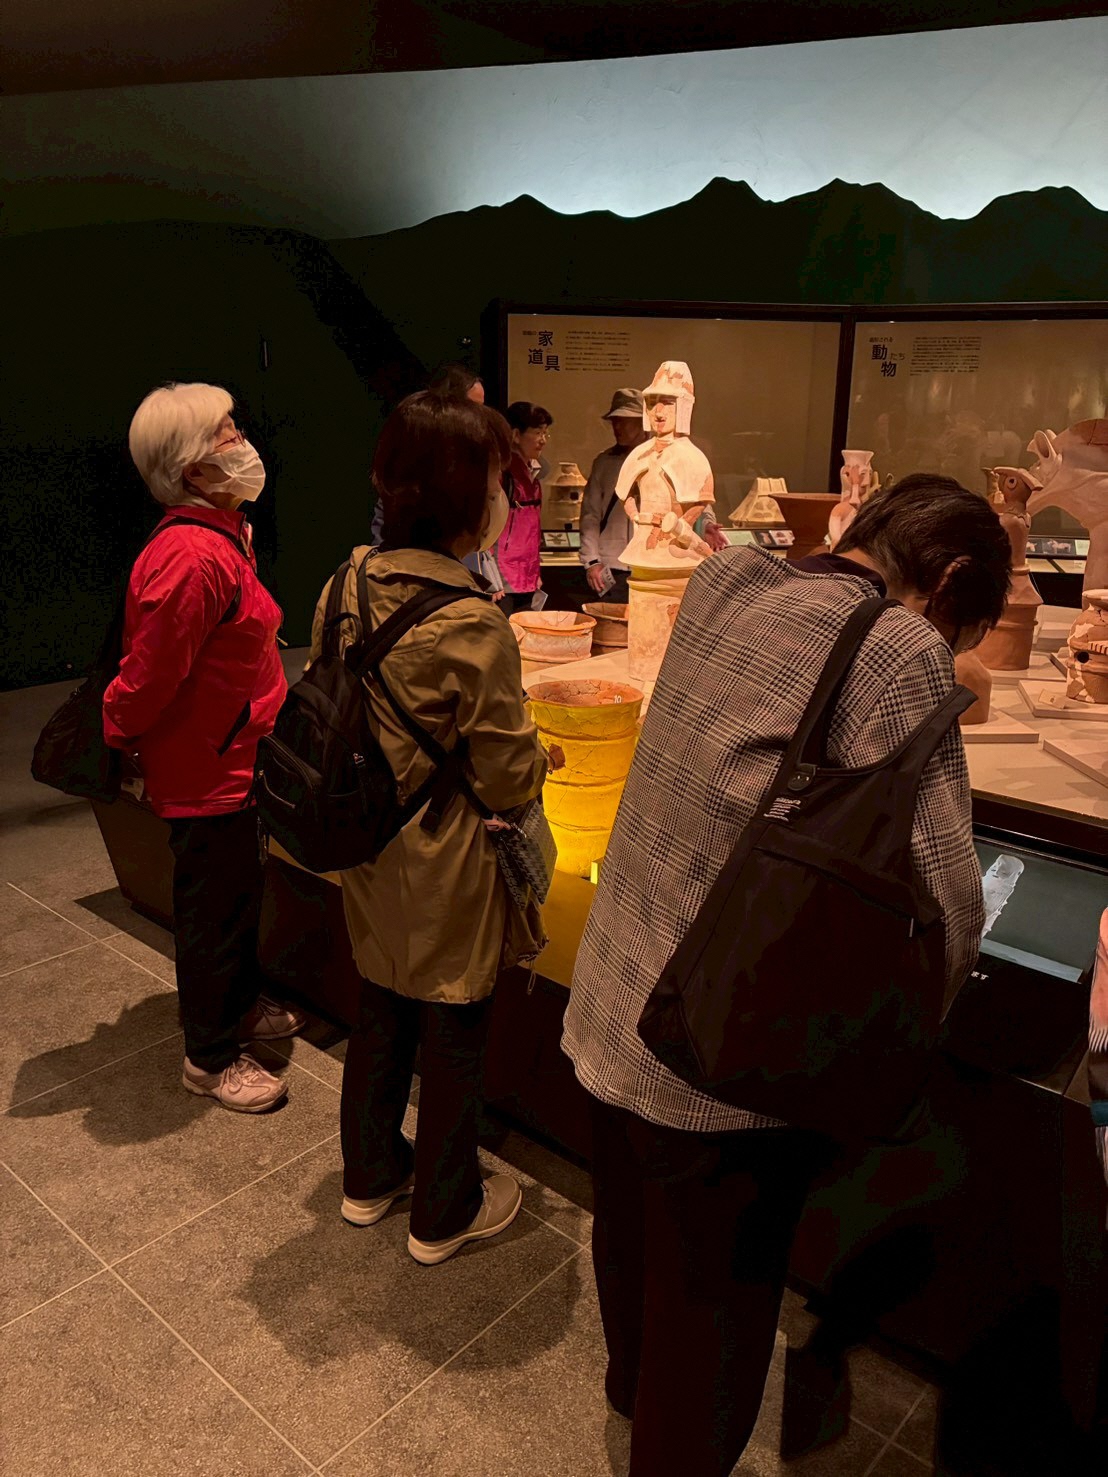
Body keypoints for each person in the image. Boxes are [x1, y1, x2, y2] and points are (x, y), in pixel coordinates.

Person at [562, 475, 1011, 1477]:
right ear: (941, 586)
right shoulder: (896, 645)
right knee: (714, 1310)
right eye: (962, 630)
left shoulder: (726, 578)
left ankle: (629, 1397)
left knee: (632, 1237)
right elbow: (946, 901)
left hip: (611, 994)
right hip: (716, 1049)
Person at [313, 391, 554, 1265]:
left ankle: (369, 1177)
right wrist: (539, 760)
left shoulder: (344, 581)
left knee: (379, 1008)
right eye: (496, 479)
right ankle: (444, 1212)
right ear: (467, 501)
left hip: (370, 846)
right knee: (453, 1026)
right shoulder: (474, 625)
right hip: (448, 859)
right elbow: (505, 773)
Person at [103, 382, 304, 1114]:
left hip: (237, 758)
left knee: (236, 898)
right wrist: (118, 736)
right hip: (205, 771)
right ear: (190, 469)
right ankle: (210, 1054)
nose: (241, 441)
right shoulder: (191, 556)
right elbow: (148, 677)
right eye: (224, 433)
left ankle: (239, 1003)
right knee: (211, 912)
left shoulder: (224, 532)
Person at [579, 388, 646, 602]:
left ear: (643, 422)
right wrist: (591, 561)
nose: (618, 427)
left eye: (625, 420)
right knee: (611, 632)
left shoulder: (661, 460)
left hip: (649, 564)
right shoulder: (604, 463)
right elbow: (590, 516)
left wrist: (707, 524)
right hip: (612, 566)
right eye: (615, 420)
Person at [497, 401, 552, 614]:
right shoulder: (502, 474)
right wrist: (490, 577)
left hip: (527, 575)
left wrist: (535, 573)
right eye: (537, 433)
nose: (543, 440)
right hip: (503, 579)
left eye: (546, 433)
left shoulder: (534, 473)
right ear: (516, 435)